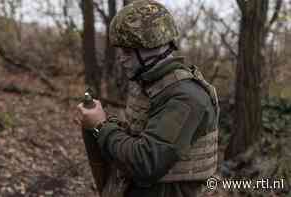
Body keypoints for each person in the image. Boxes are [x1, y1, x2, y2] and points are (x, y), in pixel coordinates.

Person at [77, 0, 220, 196]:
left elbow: (145, 163)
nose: (121, 58)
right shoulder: (148, 84)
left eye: (127, 51)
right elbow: (139, 137)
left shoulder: (187, 97)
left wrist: (102, 127)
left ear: (152, 47)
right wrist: (101, 123)